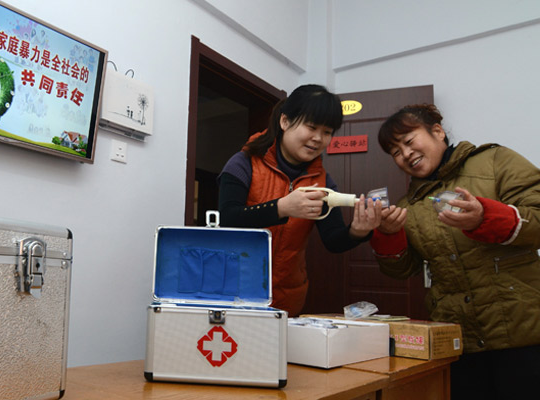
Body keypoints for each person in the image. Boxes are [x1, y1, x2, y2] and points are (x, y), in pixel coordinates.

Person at [370, 103, 540, 399]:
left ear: (437, 132)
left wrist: (484, 218)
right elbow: (402, 269)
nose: (405, 154)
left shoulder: (495, 160)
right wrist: (387, 235)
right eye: (395, 152)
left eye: (409, 142)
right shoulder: (408, 206)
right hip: (458, 337)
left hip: (523, 329)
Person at [218, 84, 382, 317]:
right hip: (233, 294)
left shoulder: (323, 182)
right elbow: (228, 219)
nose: (318, 139)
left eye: (327, 132)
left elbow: (333, 241)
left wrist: (358, 231)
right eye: (311, 127)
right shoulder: (244, 163)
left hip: (287, 299)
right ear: (285, 122)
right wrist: (283, 207)